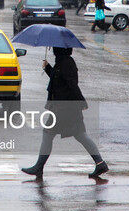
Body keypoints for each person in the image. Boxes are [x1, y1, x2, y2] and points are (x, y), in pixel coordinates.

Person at [21, 47, 108, 179]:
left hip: (64, 108)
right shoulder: (63, 62)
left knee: (48, 133)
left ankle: (39, 167)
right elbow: (59, 81)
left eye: (55, 48)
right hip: (65, 108)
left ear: (59, 50)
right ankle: (100, 163)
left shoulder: (67, 63)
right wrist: (48, 68)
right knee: (80, 135)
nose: (53, 50)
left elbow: (72, 84)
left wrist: (81, 102)